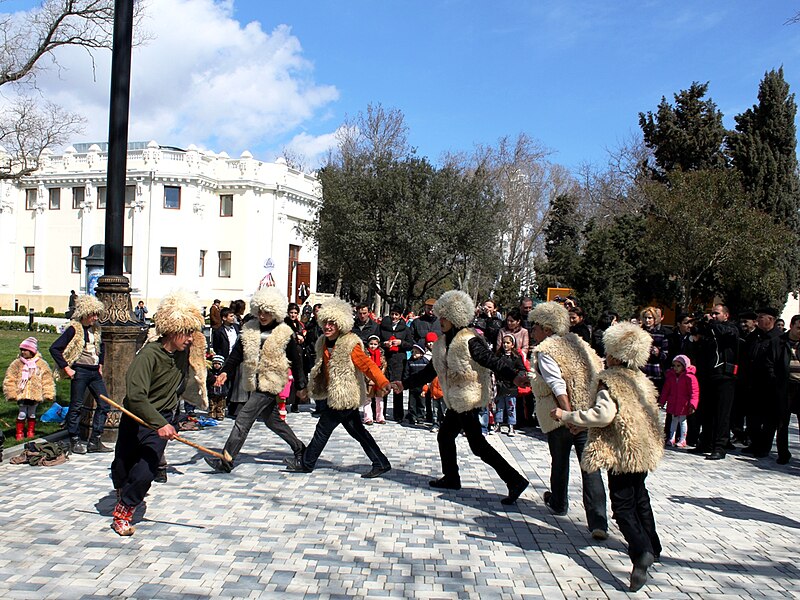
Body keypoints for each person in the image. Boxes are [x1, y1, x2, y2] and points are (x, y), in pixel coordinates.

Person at [551, 322, 664, 592]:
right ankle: (654, 545)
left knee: (623, 508)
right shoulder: (642, 379)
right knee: (641, 498)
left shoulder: (609, 380)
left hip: (620, 449)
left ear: (614, 353)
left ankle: (641, 552)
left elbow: (603, 415)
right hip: (642, 449)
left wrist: (567, 416)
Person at [395, 290, 530, 505]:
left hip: (467, 398)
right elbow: (430, 372)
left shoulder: (469, 340)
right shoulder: (441, 343)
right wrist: (404, 384)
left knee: (475, 445)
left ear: (456, 317)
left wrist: (514, 377)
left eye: (445, 316)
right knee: (448, 437)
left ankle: (514, 480)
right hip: (454, 399)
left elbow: (490, 361)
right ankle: (453, 478)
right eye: (440, 316)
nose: (441, 320)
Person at [109, 290, 208, 536]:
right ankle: (123, 488)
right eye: (186, 333)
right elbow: (136, 396)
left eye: (193, 333)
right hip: (136, 417)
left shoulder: (184, 353)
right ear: (172, 330)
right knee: (122, 467)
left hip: (163, 419)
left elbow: (187, 379)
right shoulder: (148, 356)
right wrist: (157, 422)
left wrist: (172, 418)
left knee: (145, 471)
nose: (190, 339)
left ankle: (123, 511)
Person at [285, 297, 393, 478]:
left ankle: (306, 463)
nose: (327, 327)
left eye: (332, 324)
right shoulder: (322, 342)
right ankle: (381, 462)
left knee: (322, 430)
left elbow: (367, 364)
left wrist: (382, 382)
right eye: (325, 323)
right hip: (334, 394)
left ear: (341, 324)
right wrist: (307, 388)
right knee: (358, 431)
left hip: (344, 396)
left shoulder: (350, 343)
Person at [204, 287, 307, 473]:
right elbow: (237, 353)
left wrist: (301, 385)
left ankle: (226, 459)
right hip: (254, 380)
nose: (262, 315)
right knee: (273, 421)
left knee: (243, 419)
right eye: (259, 310)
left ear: (275, 311)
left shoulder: (284, 332)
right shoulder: (249, 329)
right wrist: (225, 371)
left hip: (271, 382)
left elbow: (296, 359)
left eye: (267, 311)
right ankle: (300, 449)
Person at [529, 301, 608, 538]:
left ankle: (559, 502)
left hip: (562, 415)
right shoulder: (581, 343)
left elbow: (557, 384)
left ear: (547, 327)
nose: (532, 330)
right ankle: (598, 522)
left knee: (560, 460)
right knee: (590, 468)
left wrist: (569, 415)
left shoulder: (547, 350)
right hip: (588, 414)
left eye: (536, 326)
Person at [49, 294, 112, 454]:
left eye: (97, 314)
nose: (95, 318)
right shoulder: (74, 329)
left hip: (94, 371)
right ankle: (74, 439)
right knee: (76, 406)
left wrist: (100, 364)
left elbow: (101, 346)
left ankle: (95, 440)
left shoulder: (96, 329)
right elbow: (55, 348)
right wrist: (67, 368)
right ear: (85, 313)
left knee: (104, 404)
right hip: (80, 371)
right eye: (93, 314)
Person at [691, 304, 739, 460]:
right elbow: (696, 338)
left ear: (726, 315)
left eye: (717, 313)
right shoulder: (710, 330)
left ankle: (720, 446)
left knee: (722, 413)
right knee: (706, 412)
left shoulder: (732, 329)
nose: (713, 316)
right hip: (708, 375)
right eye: (711, 313)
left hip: (725, 377)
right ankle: (705, 442)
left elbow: (724, 333)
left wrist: (711, 323)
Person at [762, 314, 800, 464]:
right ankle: (783, 453)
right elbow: (769, 363)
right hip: (784, 386)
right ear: (791, 326)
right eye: (798, 328)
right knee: (782, 422)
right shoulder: (778, 342)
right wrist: (775, 381)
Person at [3, 337, 55, 440]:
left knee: (31, 413)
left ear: (32, 351)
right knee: (22, 413)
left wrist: (48, 393)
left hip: (34, 394)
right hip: (22, 393)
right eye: (21, 350)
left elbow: (47, 379)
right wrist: (11, 393)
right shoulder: (17, 363)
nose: (23, 352)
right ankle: (19, 432)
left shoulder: (41, 364)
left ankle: (31, 431)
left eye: (25, 350)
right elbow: (10, 377)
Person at [379, 304, 413, 422]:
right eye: (392, 314)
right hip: (386, 359)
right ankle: (380, 413)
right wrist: (384, 344)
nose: (394, 317)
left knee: (398, 386)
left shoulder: (405, 329)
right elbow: (377, 341)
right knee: (384, 386)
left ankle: (398, 415)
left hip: (399, 360)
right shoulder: (383, 326)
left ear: (400, 316)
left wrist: (401, 343)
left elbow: (410, 345)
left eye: (396, 315)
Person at [659, 355, 699, 447]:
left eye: (678, 366)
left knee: (683, 421)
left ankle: (683, 439)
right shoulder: (671, 377)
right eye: (674, 366)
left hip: (683, 404)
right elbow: (666, 390)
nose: (675, 368)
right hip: (673, 403)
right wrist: (662, 401)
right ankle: (671, 438)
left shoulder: (689, 377)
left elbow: (694, 392)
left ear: (684, 366)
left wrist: (693, 404)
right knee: (673, 420)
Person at [493, 334, 525, 436]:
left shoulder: (516, 357)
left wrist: (517, 377)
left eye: (508, 343)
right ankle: (498, 423)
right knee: (500, 406)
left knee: (511, 407)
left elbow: (522, 369)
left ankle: (511, 425)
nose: (505, 345)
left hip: (511, 386)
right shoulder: (498, 355)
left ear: (512, 344)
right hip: (500, 385)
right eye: (504, 342)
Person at [284, 302, 306, 413]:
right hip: (287, 354)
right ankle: (283, 403)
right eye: (291, 312)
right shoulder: (284, 324)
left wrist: (302, 338)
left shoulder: (300, 324)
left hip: (299, 353)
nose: (293, 315)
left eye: (295, 313)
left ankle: (296, 404)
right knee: (287, 379)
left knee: (299, 377)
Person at [362, 335, 387, 425]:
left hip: (378, 380)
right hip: (368, 380)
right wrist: (369, 379)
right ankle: (368, 417)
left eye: (375, 344)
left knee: (379, 399)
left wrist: (379, 378)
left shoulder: (380, 354)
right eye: (371, 344)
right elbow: (364, 367)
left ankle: (380, 416)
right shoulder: (365, 355)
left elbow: (384, 366)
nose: (373, 346)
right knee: (367, 399)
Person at [405, 344, 429, 424]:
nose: (414, 354)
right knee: (412, 403)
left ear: (422, 353)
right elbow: (406, 373)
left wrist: (427, 384)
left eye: (416, 352)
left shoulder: (425, 362)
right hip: (412, 385)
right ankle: (412, 416)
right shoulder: (409, 362)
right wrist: (406, 382)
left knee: (421, 403)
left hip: (422, 386)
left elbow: (428, 374)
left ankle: (420, 417)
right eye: (413, 352)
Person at [207, 355, 230, 420]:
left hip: (222, 391)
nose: (216, 365)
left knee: (221, 404)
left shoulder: (223, 373)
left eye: (218, 364)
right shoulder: (210, 372)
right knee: (212, 403)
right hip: (212, 391)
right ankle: (212, 413)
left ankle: (220, 413)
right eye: (215, 363)